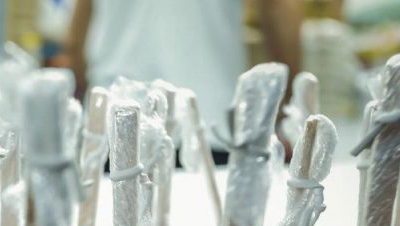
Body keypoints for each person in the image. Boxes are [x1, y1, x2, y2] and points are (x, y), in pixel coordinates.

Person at [60, 0, 303, 159]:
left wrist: (84, 93)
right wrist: (286, 106)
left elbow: (76, 35)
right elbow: (277, 8)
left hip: (113, 127)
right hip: (210, 123)